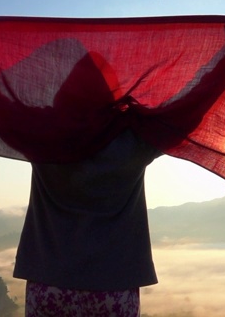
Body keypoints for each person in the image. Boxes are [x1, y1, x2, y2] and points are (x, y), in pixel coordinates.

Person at [13, 128, 162, 316]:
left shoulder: (44, 136)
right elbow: (183, 118)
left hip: (48, 281)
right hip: (115, 287)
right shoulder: (134, 141)